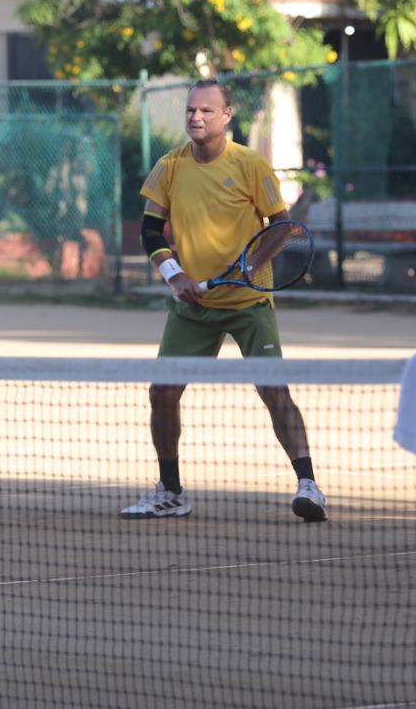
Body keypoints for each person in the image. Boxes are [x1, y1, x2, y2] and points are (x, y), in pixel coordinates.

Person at [121, 79, 327, 523]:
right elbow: (151, 231)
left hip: (250, 304)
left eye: (207, 111)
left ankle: (309, 485)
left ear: (226, 116)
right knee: (162, 392)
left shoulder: (252, 165)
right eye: (191, 110)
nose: (197, 117)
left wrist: (253, 266)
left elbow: (281, 225)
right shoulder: (169, 166)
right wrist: (175, 276)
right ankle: (171, 491)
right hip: (192, 307)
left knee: (274, 391)